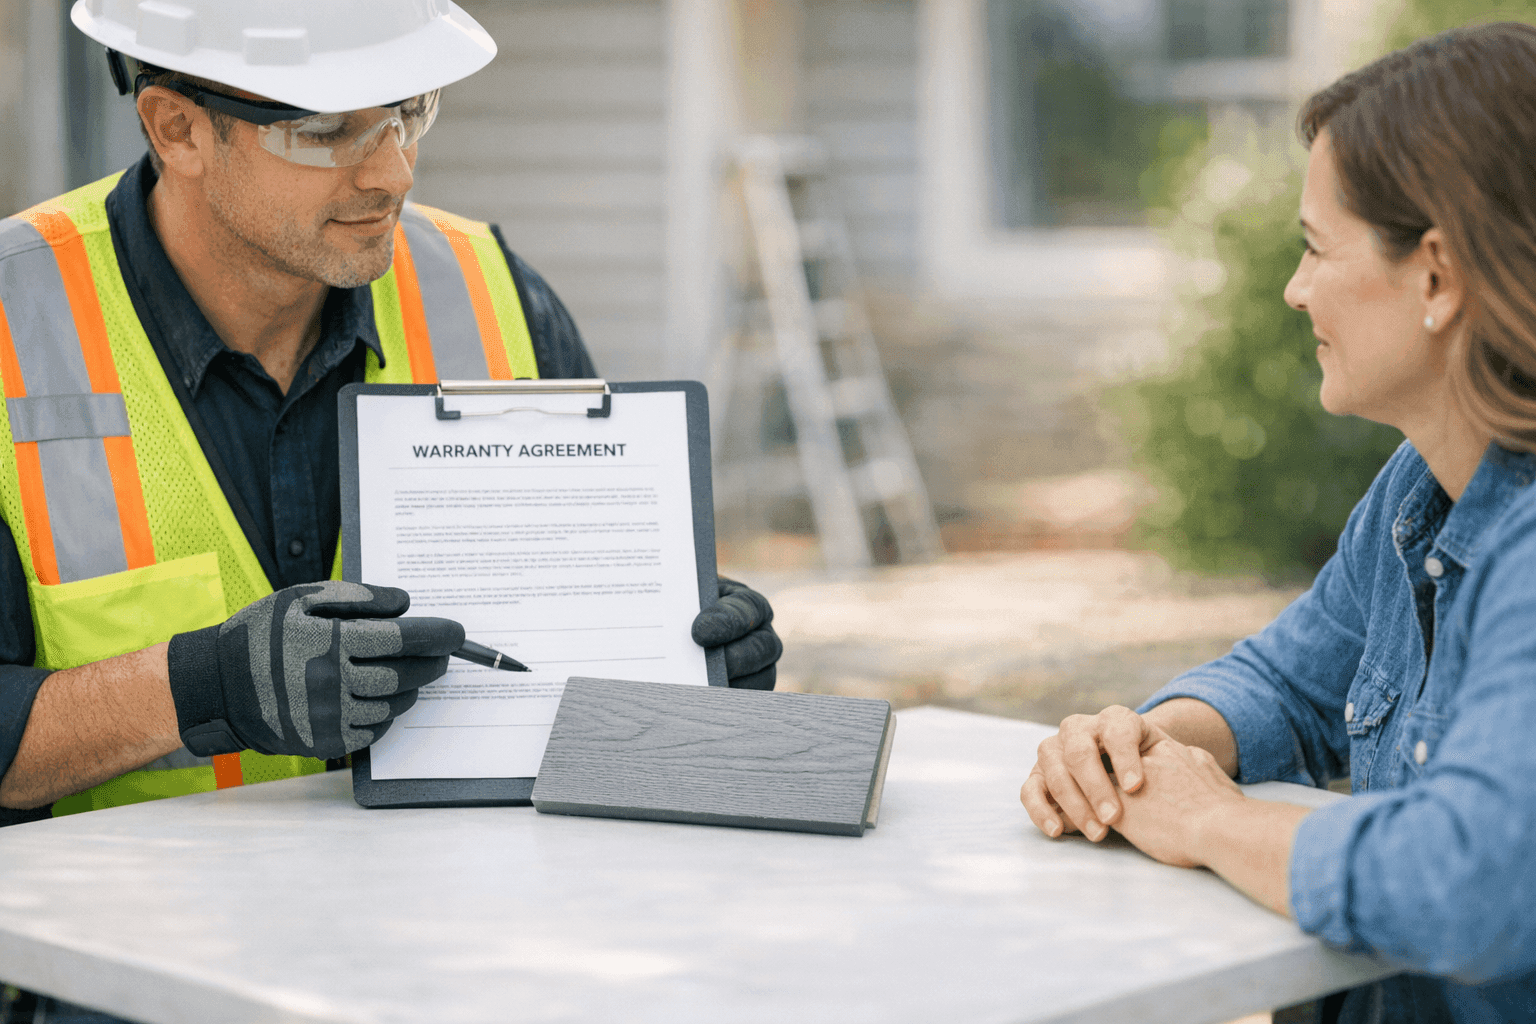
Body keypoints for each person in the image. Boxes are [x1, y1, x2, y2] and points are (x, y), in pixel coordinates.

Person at [0, 0, 781, 833]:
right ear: (177, 129)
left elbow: (571, 694)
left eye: (408, 113)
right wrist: (204, 687)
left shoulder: (494, 297)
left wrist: (677, 667)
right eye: (328, 128)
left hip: (443, 933)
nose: (393, 174)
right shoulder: (17, 320)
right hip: (112, 951)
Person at [1020, 22, 1536, 1023]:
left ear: (1436, 276)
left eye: (1314, 248)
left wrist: (1214, 823)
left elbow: (1468, 882)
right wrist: (1141, 750)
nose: (1295, 290)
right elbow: (1282, 681)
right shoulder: (1417, 493)